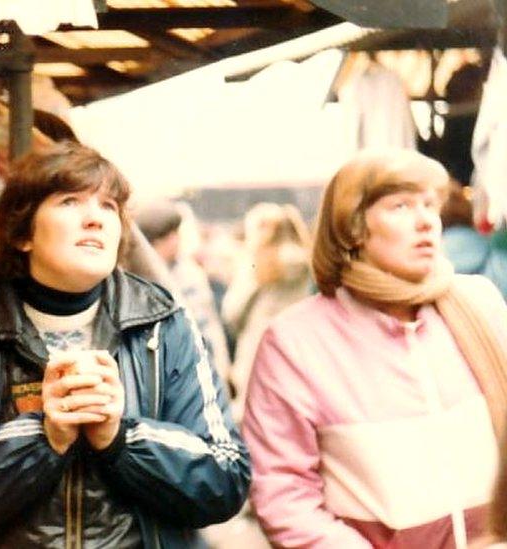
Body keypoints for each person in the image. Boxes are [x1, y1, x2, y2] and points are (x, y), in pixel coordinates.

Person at [0, 141, 250, 547]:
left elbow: (226, 480)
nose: (94, 220)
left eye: (107, 206)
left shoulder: (164, 324)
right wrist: (42, 437)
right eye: (70, 201)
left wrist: (121, 438)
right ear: (22, 233)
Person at [242, 149, 507, 548]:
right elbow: (284, 495)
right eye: (400, 206)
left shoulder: (477, 303)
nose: (425, 222)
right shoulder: (296, 342)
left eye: (429, 206)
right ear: (352, 227)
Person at [222, 202, 312, 422]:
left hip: (258, 341)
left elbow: (233, 309)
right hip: (296, 340)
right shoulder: (305, 258)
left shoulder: (258, 261)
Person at [134, 201, 232, 387]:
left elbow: (207, 328)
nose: (177, 240)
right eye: (172, 235)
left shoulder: (188, 272)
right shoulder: (140, 277)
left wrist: (220, 370)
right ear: (158, 240)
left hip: (199, 370)